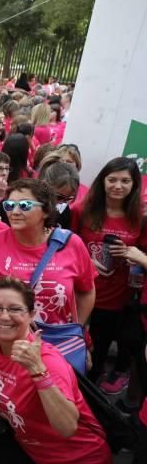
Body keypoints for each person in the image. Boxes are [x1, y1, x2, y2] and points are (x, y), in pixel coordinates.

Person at [0, 277, 112, 464]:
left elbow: (67, 428)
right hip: (31, 448)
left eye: (15, 309)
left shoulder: (48, 361)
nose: (4, 316)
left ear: (31, 315)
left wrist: (38, 372)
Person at [0, 179, 96, 333]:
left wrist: (75, 329)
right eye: (9, 205)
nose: (15, 212)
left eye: (25, 205)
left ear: (46, 210)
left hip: (57, 341)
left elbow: (87, 291)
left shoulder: (71, 243)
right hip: (4, 339)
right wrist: (10, 310)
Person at [75, 157, 146, 392]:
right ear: (102, 181)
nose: (118, 186)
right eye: (112, 179)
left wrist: (130, 254)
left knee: (100, 347)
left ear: (135, 185)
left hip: (116, 298)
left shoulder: (139, 218)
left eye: (125, 181)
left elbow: (142, 254)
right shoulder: (82, 210)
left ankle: (90, 393)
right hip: (82, 293)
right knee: (76, 346)